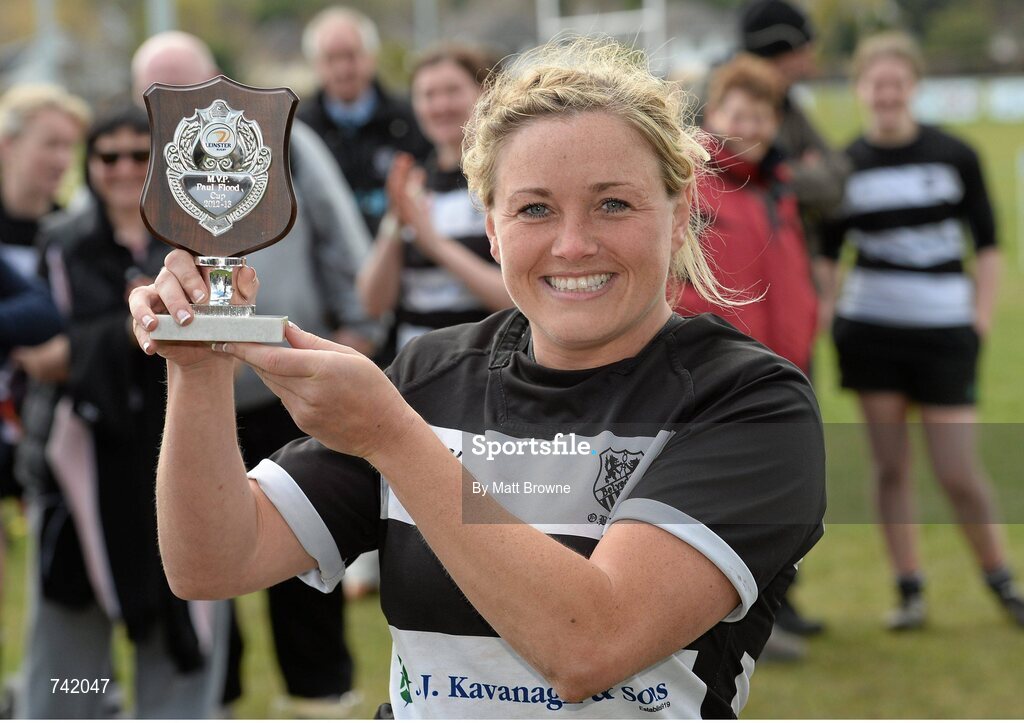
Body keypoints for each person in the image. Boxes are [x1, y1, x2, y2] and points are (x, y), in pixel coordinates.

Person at [131, 38, 825, 718]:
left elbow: (590, 644)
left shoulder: (751, 401)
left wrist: (394, 439)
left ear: (678, 219)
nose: (573, 242)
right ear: (490, 229)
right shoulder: (433, 373)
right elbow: (213, 561)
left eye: (614, 204)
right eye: (534, 208)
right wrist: (200, 364)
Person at [131, 30, 374, 716]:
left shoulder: (286, 139)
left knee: (305, 562)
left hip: (285, 382)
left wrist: (357, 329)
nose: (186, 105)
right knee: (202, 557)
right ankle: (220, 699)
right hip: (179, 394)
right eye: (164, 94)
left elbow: (339, 233)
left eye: (193, 86)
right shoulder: (133, 158)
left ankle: (321, 696)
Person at [13, 106, 229, 719]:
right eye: (109, 156)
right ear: (90, 164)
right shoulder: (63, 242)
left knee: (184, 612)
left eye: (142, 155)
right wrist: (141, 329)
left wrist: (93, 342)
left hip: (174, 450)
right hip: (82, 466)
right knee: (68, 657)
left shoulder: (195, 239)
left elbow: (217, 334)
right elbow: (39, 354)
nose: (125, 168)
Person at [820, 31, 1024, 630]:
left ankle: (1002, 581)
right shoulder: (845, 165)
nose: (886, 94)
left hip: (944, 334)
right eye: (875, 83)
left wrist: (979, 320)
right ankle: (909, 589)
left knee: (958, 471)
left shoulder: (956, 154)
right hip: (872, 334)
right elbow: (827, 260)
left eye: (896, 83)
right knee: (891, 469)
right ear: (860, 88)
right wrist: (831, 316)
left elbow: (988, 247)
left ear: (913, 87)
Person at [674, 53, 817, 376]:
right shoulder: (687, 183)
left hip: (788, 374)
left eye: (760, 117)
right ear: (713, 114)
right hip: (716, 378)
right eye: (738, 117)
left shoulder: (780, 187)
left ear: (776, 122)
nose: (749, 130)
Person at [298, 6, 432, 238]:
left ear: (371, 56)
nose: (343, 69)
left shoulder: (410, 119)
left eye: (350, 55)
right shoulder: (298, 131)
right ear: (316, 64)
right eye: (331, 59)